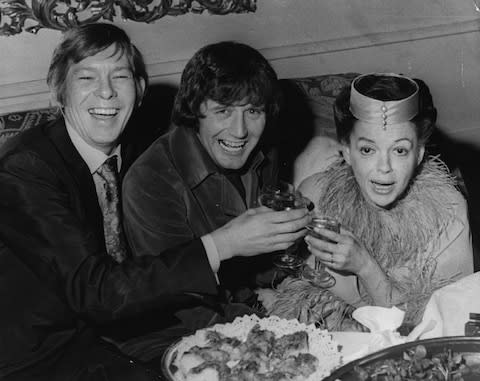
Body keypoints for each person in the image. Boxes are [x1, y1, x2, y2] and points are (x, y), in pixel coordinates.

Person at [0, 24, 276, 381]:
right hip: (33, 357)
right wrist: (224, 243)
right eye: (86, 78)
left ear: (140, 90)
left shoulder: (139, 145)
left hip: (113, 342)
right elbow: (96, 291)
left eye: (121, 77)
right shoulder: (25, 169)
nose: (106, 92)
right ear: (59, 91)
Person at [260, 73, 474, 328]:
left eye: (400, 150)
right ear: (347, 151)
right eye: (367, 150)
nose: (384, 168)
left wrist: (365, 267)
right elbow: (293, 278)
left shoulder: (448, 212)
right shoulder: (315, 194)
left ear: (419, 154)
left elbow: (436, 326)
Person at [123, 41, 311, 306]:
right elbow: (178, 302)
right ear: (194, 109)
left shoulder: (265, 154)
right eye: (223, 111)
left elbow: (264, 267)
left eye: (253, 111)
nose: (240, 131)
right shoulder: (149, 181)